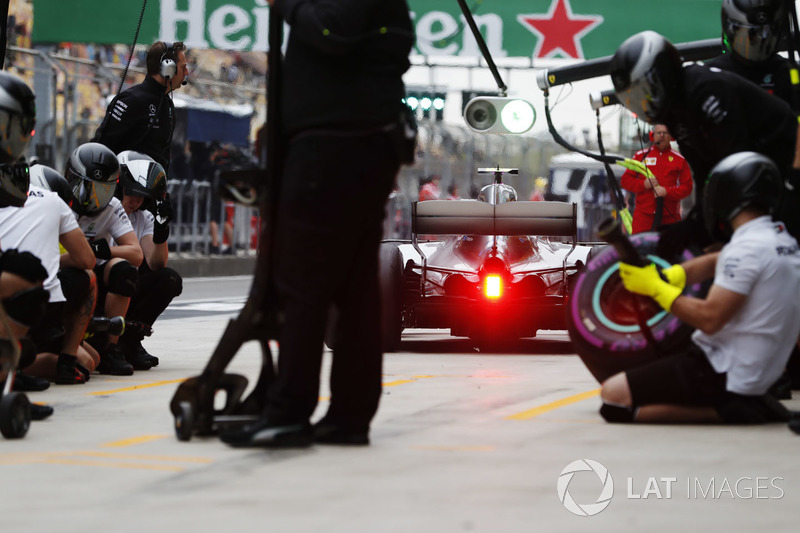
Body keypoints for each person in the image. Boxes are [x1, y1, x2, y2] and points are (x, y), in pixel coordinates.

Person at [221, 0, 415, 448]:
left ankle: (291, 411)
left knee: (304, 283)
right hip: (351, 144)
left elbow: (333, 30)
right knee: (352, 291)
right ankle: (348, 415)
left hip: (334, 148)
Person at [600, 152, 800, 424]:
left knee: (612, 398)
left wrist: (658, 288)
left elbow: (709, 319)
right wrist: (677, 274)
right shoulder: (780, 241)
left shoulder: (747, 249)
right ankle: (750, 403)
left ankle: (734, 410)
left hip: (723, 371)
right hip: (760, 372)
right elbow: (721, 259)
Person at [609, 30, 800, 252]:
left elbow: (734, 163)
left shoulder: (704, 89)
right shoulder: (676, 111)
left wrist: (704, 226)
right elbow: (704, 171)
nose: (644, 105)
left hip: (788, 166)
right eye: (633, 100)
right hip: (766, 170)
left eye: (645, 93)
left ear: (663, 73)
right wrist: (696, 223)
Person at [0, 163, 98, 385]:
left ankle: (16, 366)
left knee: (90, 360)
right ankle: (64, 361)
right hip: (41, 302)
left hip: (17, 302)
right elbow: (87, 260)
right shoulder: (52, 200)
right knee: (89, 277)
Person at [66, 143, 143, 376]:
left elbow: (136, 254)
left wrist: (104, 251)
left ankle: (112, 347)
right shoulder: (59, 201)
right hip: (68, 267)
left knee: (125, 270)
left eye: (104, 190)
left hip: (96, 268)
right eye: (90, 188)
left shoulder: (112, 206)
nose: (95, 198)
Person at [114, 151, 183, 369]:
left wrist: (161, 229)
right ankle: (108, 343)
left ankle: (129, 342)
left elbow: (156, 263)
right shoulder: (101, 212)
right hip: (104, 287)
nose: (135, 201)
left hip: (124, 287)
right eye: (131, 193)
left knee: (169, 279)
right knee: (122, 271)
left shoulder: (143, 218)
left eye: (141, 196)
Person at [92, 41, 189, 172]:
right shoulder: (130, 100)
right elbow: (100, 149)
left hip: (153, 189)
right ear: (168, 69)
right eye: (183, 67)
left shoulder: (168, 105)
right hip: (123, 190)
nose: (187, 72)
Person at [705, 0, 795, 108]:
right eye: (751, 36)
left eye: (767, 34)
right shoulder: (712, 76)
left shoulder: (790, 75)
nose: (758, 43)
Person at [619, 124, 693, 234]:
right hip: (643, 217)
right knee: (640, 249)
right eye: (658, 133)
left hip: (670, 217)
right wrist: (643, 184)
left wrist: (666, 192)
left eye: (665, 133)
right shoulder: (640, 156)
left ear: (670, 137)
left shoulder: (679, 159)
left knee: (670, 249)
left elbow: (687, 188)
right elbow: (625, 181)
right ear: (653, 136)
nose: (662, 136)